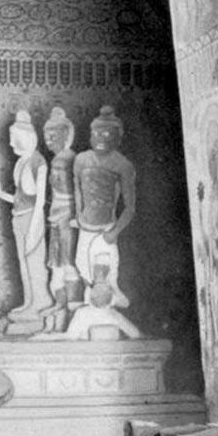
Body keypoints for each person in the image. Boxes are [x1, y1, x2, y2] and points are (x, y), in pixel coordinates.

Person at [72, 106, 135, 309]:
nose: (99, 137)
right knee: (84, 271)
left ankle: (111, 297)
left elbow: (130, 207)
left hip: (105, 231)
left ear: (118, 138)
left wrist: (114, 232)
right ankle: (91, 308)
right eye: (95, 133)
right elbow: (77, 190)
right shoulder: (81, 160)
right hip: (85, 228)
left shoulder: (122, 165)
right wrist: (78, 216)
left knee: (105, 278)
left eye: (106, 133)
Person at [0, 110, 52, 319]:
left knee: (34, 260)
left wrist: (37, 224)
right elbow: (19, 198)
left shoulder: (38, 162)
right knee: (23, 261)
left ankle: (41, 301)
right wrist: (1, 193)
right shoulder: (20, 163)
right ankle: (29, 301)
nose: (11, 144)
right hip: (18, 217)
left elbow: (40, 198)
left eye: (13, 139)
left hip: (32, 218)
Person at [43, 107, 78, 304]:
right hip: (55, 214)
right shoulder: (57, 159)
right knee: (55, 265)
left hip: (67, 214)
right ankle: (60, 307)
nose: (48, 139)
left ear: (66, 135)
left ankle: (71, 308)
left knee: (67, 262)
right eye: (46, 135)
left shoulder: (69, 159)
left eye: (53, 135)